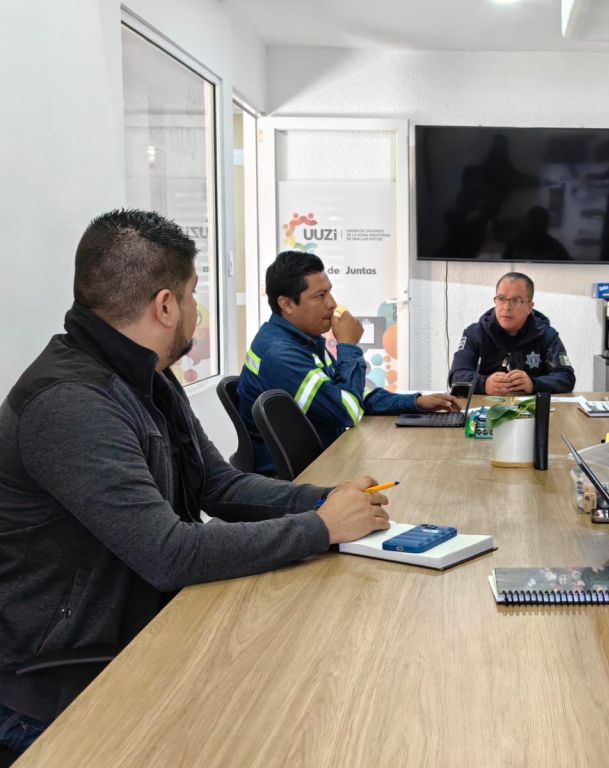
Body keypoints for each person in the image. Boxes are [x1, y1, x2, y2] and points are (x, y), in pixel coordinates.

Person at [0, 210, 392, 754]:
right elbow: (169, 553)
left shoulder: (146, 376)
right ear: (166, 306)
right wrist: (321, 527)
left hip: (140, 633)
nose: (195, 311)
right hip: (65, 688)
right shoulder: (71, 404)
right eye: (192, 295)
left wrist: (327, 500)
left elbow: (217, 485)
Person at [237, 251, 458, 474]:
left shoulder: (304, 340)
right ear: (286, 304)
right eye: (320, 296)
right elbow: (347, 411)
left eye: (329, 292)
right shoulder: (279, 353)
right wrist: (348, 347)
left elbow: (350, 395)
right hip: (302, 477)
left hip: (322, 459)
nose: (332, 304)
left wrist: (414, 402)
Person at [449, 272, 575, 395]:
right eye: (501, 299)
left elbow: (566, 377)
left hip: (530, 407)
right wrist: (484, 384)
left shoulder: (546, 335)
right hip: (483, 407)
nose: (507, 307)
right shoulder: (475, 334)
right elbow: (456, 376)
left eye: (516, 300)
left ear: (529, 307)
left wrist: (533, 384)